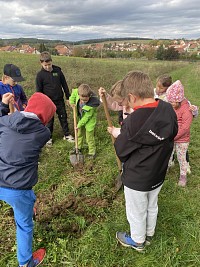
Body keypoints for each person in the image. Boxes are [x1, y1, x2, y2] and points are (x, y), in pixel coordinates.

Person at [113, 71, 178, 251]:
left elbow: (122, 150)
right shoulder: (167, 109)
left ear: (132, 97)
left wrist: (120, 138)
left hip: (137, 177)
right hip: (158, 172)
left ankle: (138, 241)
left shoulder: (133, 121)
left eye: (128, 101)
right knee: (151, 204)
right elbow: (173, 133)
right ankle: (149, 233)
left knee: (136, 211)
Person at [0, 92, 56, 267]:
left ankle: (28, 207)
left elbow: (13, 120)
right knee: (24, 225)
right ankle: (25, 262)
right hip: (18, 188)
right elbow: (35, 125)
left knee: (26, 200)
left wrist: (4, 106)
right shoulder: (43, 133)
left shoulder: (4, 122)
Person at [155, 74, 198, 174]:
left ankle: (186, 164)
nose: (158, 89)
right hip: (170, 128)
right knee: (170, 148)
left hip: (181, 135)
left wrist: (194, 111)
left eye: (161, 87)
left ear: (168, 87)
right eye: (157, 86)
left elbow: (189, 112)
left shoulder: (179, 99)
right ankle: (170, 162)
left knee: (182, 149)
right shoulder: (161, 96)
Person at [36, 51, 74, 145]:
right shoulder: (40, 75)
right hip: (48, 102)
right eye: (45, 65)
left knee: (63, 117)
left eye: (49, 64)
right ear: (41, 63)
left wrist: (68, 97)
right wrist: (41, 103)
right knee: (49, 120)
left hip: (59, 100)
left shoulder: (58, 71)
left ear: (51, 61)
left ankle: (67, 134)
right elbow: (38, 91)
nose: (48, 67)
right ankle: (48, 138)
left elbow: (64, 85)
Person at [166, 80, 193, 187]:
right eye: (169, 101)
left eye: (172, 101)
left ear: (179, 100)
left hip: (182, 139)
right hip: (171, 137)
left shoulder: (187, 109)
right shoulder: (171, 106)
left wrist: (173, 136)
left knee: (181, 158)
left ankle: (183, 176)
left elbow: (185, 128)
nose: (170, 103)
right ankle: (165, 169)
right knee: (168, 154)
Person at [69, 83, 100, 158]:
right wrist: (72, 102)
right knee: (79, 134)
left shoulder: (92, 104)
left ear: (90, 96)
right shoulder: (77, 92)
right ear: (79, 94)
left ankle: (92, 152)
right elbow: (73, 95)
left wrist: (78, 125)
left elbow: (87, 117)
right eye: (82, 99)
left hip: (89, 120)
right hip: (80, 117)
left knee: (89, 137)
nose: (83, 101)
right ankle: (78, 147)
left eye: (86, 100)